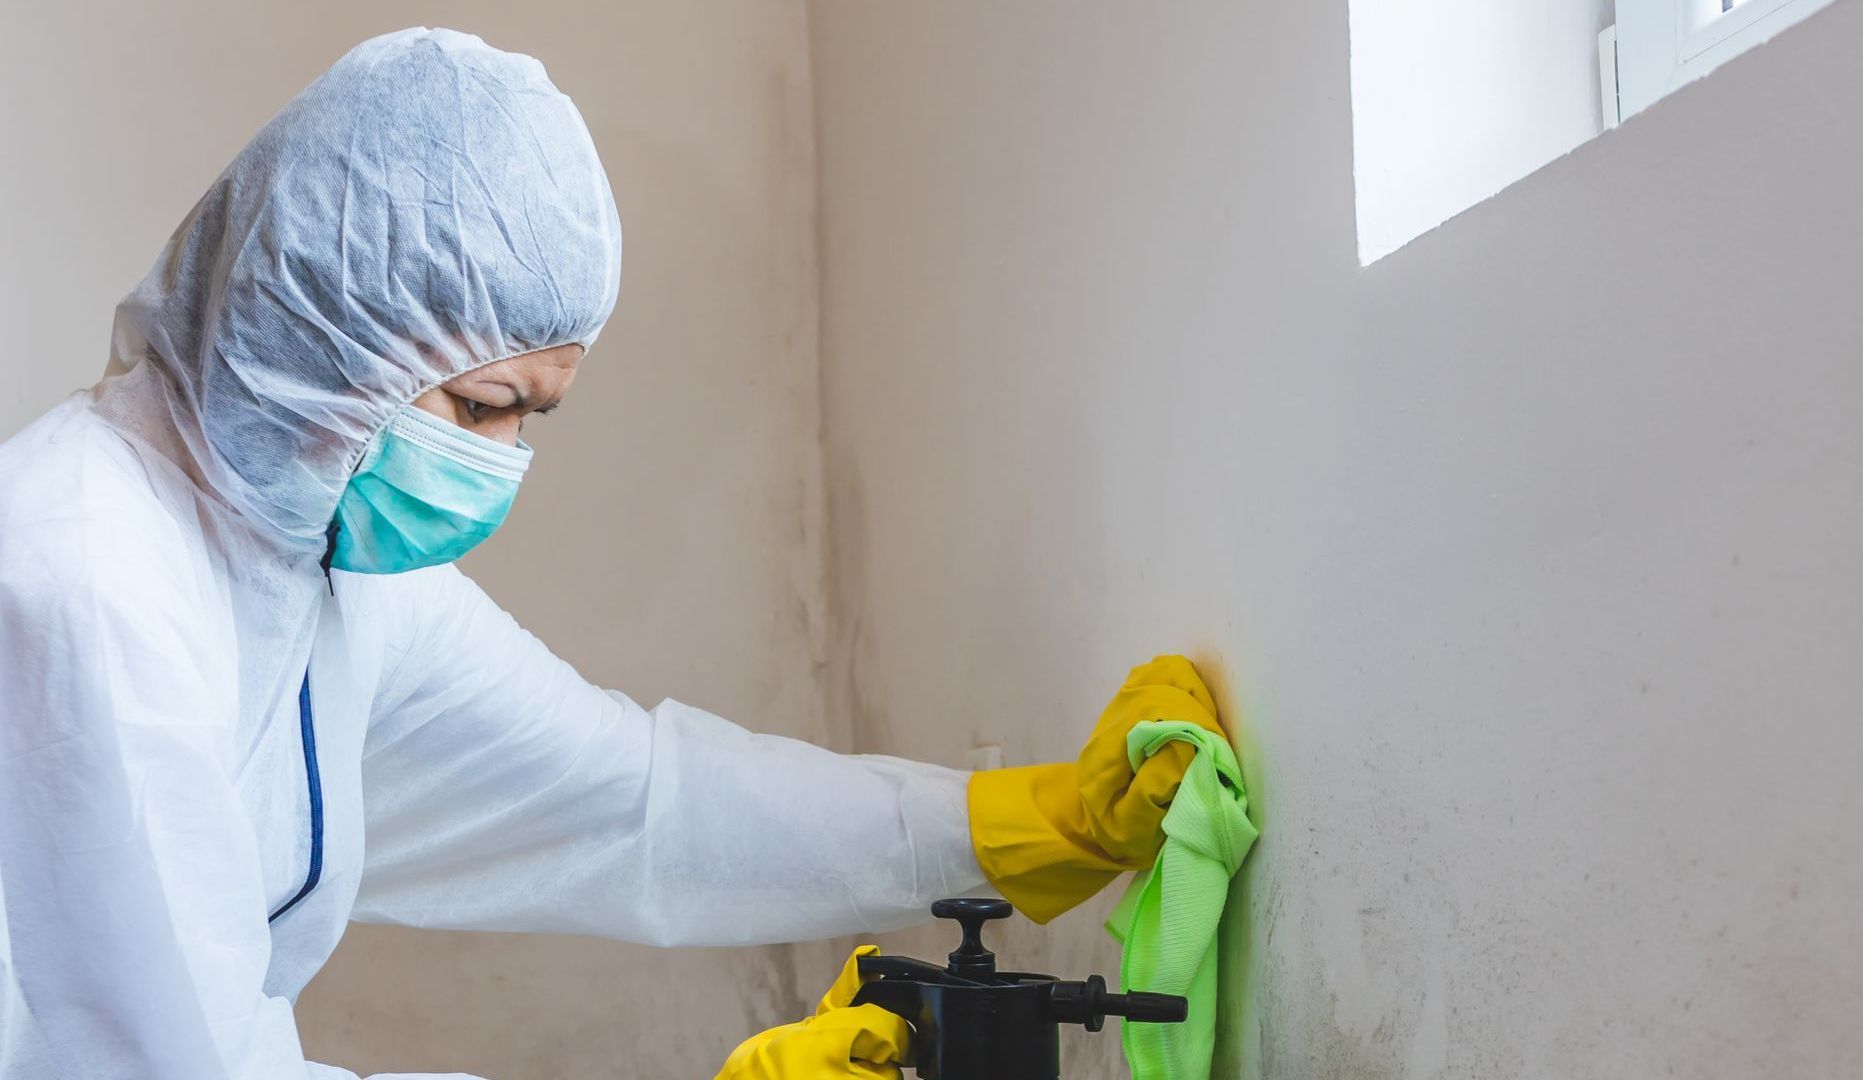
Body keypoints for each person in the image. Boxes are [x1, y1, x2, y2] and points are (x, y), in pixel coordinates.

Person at [0, 29, 1225, 1080]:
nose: (506, 460)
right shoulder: (90, 582)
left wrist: (1012, 825)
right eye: (483, 408)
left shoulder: (314, 564)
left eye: (538, 414)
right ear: (315, 333)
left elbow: (635, 801)